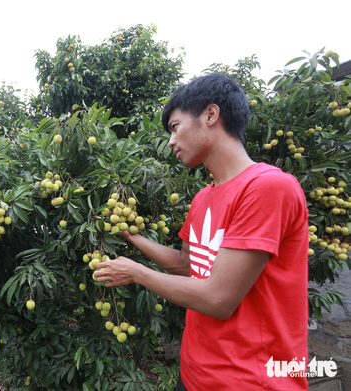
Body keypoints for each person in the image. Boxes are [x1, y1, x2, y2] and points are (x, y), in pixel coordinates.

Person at [93, 74, 309, 390]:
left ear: (210, 115)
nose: (170, 141)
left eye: (175, 127)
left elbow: (219, 298)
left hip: (250, 380)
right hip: (195, 373)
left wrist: (137, 273)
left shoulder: (267, 187)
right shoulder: (204, 198)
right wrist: (132, 237)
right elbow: (186, 264)